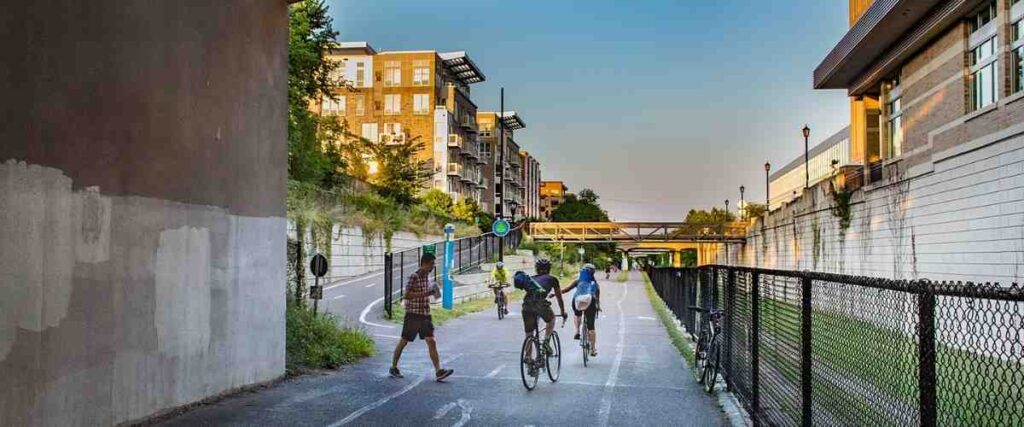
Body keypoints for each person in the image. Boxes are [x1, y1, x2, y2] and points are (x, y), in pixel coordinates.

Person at [389, 253, 454, 382]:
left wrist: (435, 292)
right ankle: (394, 367)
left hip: (425, 314)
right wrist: (426, 293)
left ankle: (438, 371)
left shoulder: (428, 278)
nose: (433, 267)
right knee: (404, 341)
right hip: (413, 315)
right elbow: (406, 295)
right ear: (425, 263)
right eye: (432, 264)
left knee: (431, 341)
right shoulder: (414, 276)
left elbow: (431, 293)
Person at [514, 261, 567, 363]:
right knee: (551, 319)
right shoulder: (552, 279)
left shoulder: (531, 279)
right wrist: (563, 312)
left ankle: (528, 357)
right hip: (540, 304)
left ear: (536, 269)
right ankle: (546, 342)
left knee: (529, 333)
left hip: (527, 306)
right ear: (549, 269)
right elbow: (559, 298)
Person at [562, 264, 601, 357]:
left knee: (577, 314)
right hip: (590, 302)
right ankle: (593, 349)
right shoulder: (595, 284)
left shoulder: (578, 281)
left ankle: (577, 331)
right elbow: (597, 298)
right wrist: (598, 306)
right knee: (591, 327)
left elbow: (566, 290)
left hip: (577, 301)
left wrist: (555, 294)